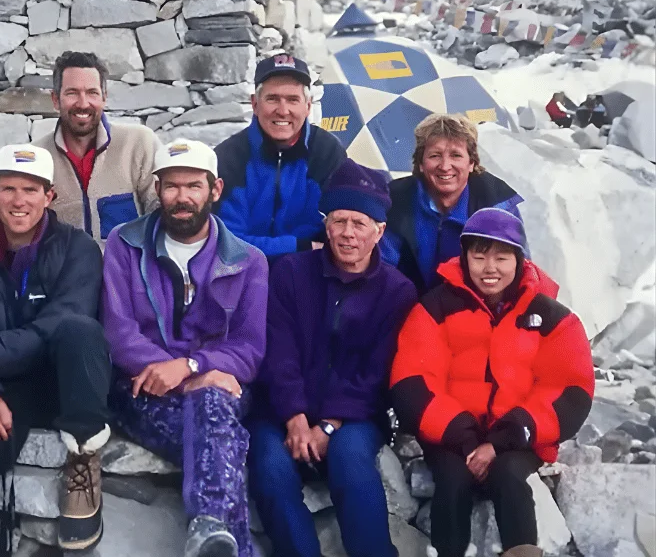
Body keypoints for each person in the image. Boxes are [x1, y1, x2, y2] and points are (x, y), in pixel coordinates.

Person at [0, 145, 112, 555]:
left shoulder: (80, 249)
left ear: (49, 196)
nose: (19, 200)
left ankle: (83, 456)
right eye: (9, 189)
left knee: (80, 331)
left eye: (31, 190)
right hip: (4, 384)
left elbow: (59, 324)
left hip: (64, 380)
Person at [390, 208, 594, 557]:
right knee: (452, 479)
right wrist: (466, 438)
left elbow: (570, 388)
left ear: (519, 260)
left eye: (502, 258)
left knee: (510, 475)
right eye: (479, 256)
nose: (490, 268)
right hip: (451, 436)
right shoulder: (435, 308)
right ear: (464, 257)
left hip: (519, 438)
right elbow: (413, 380)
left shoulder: (551, 317)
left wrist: (501, 441)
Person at [101, 139, 268, 557]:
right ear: (157, 189)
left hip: (218, 389)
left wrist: (191, 366)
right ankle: (222, 536)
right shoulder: (125, 244)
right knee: (223, 443)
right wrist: (180, 374)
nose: (182, 197)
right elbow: (118, 332)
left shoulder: (247, 261)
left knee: (212, 408)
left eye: (194, 186)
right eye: (172, 186)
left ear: (215, 189)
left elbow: (248, 348)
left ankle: (209, 528)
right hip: (142, 387)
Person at [246, 159, 417, 557]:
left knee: (351, 462)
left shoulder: (397, 291)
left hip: (354, 415)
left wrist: (327, 424)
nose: (348, 233)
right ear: (326, 226)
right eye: (339, 221)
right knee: (270, 467)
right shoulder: (290, 272)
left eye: (359, 224)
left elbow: (377, 373)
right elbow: (277, 352)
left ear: (379, 231)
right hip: (281, 410)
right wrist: (295, 418)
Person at [216, 54, 346, 260]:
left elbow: (341, 228)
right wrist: (300, 246)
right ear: (255, 104)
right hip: (244, 269)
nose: (283, 111)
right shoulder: (228, 156)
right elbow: (227, 241)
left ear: (308, 106)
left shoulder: (327, 151)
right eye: (273, 99)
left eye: (293, 100)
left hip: (311, 267)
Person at [381, 114, 525, 294]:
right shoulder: (395, 201)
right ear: (421, 163)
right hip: (406, 302)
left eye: (456, 155)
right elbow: (381, 269)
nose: (445, 166)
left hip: (475, 304)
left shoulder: (497, 206)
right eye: (435, 155)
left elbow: (519, 275)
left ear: (471, 162)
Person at [33, 50, 161, 243]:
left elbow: (162, 217)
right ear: (55, 100)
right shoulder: (38, 157)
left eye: (92, 93)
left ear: (104, 98)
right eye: (72, 93)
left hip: (129, 263)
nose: (83, 103)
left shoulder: (139, 144)